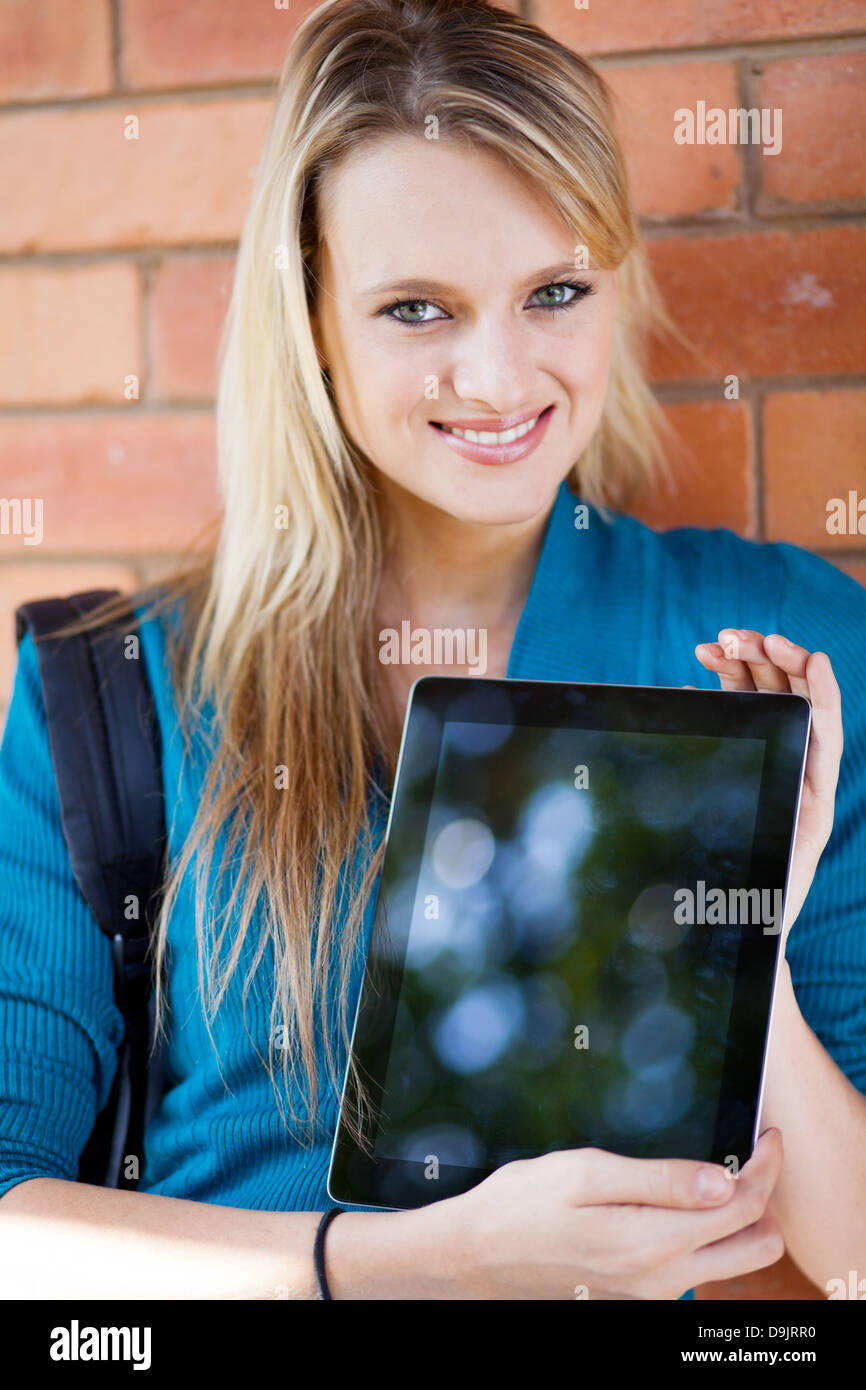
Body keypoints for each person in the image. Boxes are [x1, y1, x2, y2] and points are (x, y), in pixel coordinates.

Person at [0, 0, 864, 1301]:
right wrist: (421, 1261)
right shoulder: (115, 690)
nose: (500, 376)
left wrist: (752, 931)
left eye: (554, 292)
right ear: (313, 321)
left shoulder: (777, 648)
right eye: (417, 309)